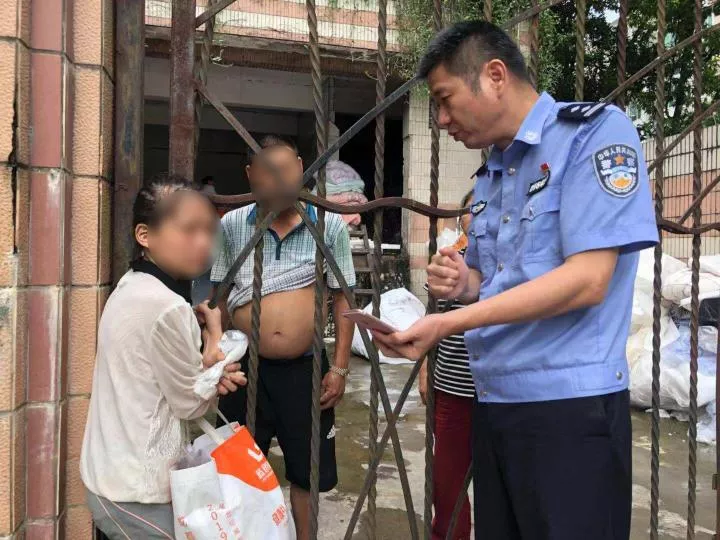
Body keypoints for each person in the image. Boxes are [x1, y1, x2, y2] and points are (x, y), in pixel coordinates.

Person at [372, 21, 658, 540]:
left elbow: (588, 280)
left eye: (445, 99)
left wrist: (449, 323)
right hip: (495, 404)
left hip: (568, 412)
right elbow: (497, 280)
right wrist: (463, 282)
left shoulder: (592, 135)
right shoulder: (493, 171)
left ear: (496, 76)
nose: (441, 120)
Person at [81, 174, 247, 539]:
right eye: (188, 230)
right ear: (145, 235)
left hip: (111, 475)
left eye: (208, 231)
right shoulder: (167, 305)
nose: (203, 242)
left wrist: (204, 366)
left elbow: (158, 376)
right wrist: (215, 346)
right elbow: (190, 404)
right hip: (136, 493)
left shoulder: (132, 284)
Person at [210, 135, 356, 540]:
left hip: (305, 368)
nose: (281, 180)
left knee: (307, 473)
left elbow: (344, 298)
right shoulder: (232, 225)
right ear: (250, 176)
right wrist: (215, 354)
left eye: (288, 169)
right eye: (269, 172)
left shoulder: (328, 225)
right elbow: (219, 295)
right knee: (237, 467)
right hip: (244, 370)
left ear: (302, 168)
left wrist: (340, 367)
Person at [420, 189, 475, 540]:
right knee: (447, 486)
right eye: (472, 210)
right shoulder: (451, 261)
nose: (477, 217)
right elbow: (433, 318)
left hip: (503, 392)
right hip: (452, 389)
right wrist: (427, 371)